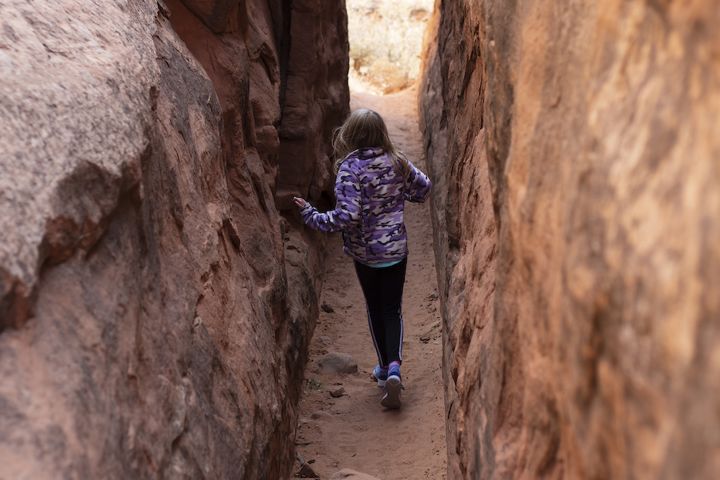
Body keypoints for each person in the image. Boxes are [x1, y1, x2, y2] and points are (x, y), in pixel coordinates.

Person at [293, 108, 431, 409]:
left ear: (350, 134)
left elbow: (346, 216)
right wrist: (396, 194)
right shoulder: (397, 161)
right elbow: (423, 189)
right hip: (395, 251)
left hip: (366, 254)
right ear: (381, 132)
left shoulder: (348, 168)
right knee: (392, 309)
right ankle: (394, 366)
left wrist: (310, 214)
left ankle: (383, 371)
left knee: (375, 309)